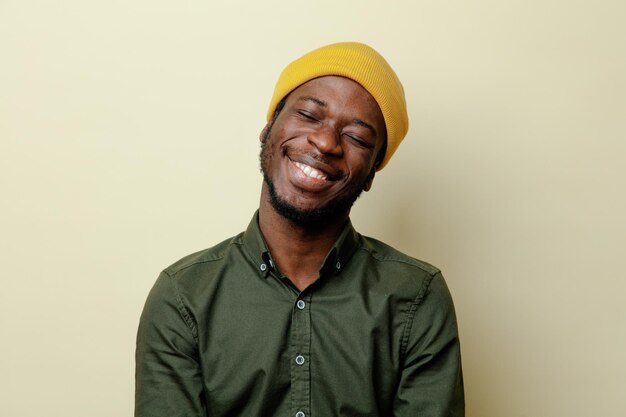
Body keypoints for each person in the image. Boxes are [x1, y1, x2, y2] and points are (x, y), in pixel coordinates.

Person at [135, 42, 464, 417]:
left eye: (357, 138)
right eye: (309, 115)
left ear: (372, 172)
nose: (325, 143)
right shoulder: (183, 297)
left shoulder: (416, 297)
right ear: (268, 128)